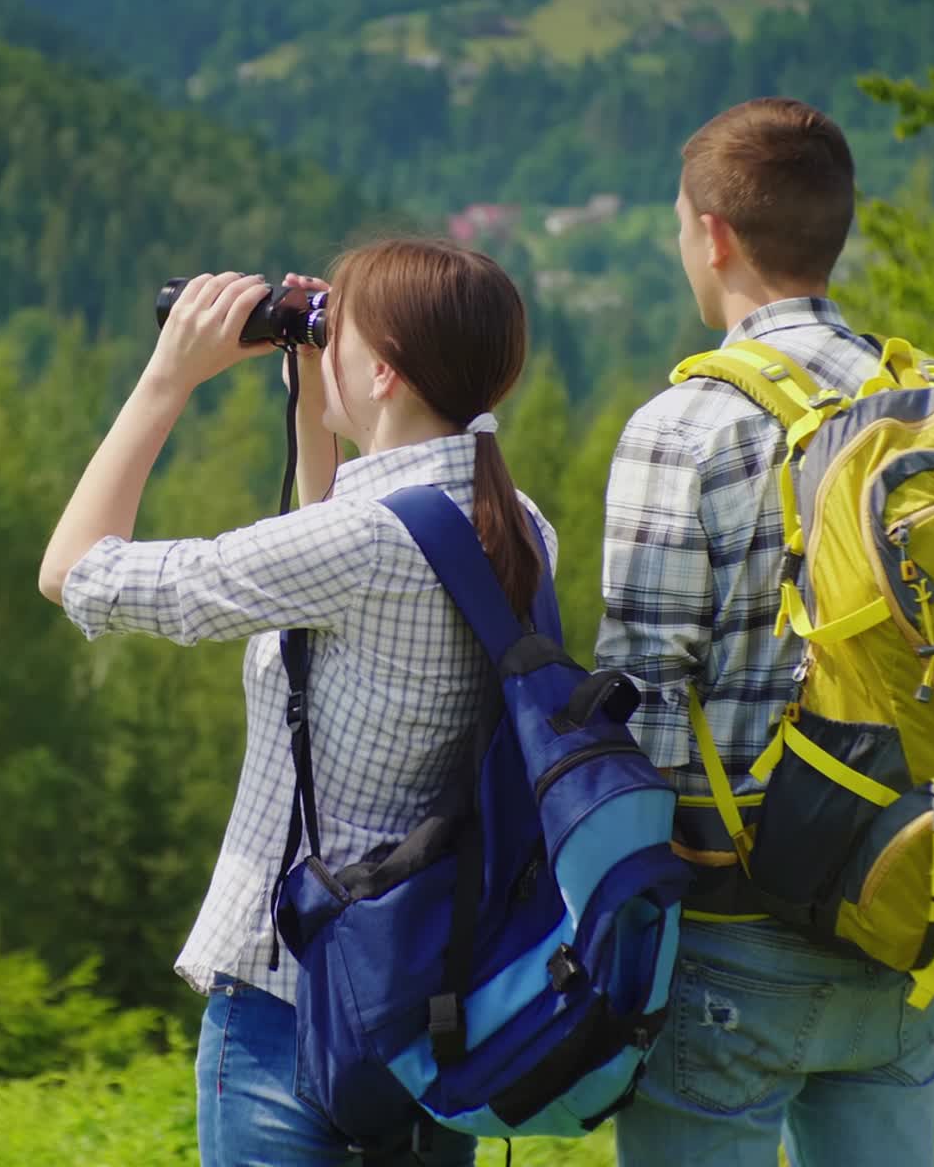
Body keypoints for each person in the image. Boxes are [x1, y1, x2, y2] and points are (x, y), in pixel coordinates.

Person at [38, 238, 557, 1166]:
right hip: (437, 986)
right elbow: (350, 578)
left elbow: (75, 573)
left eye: (337, 330)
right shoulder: (518, 526)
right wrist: (316, 402)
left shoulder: (360, 547)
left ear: (387, 371)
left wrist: (167, 378)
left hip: (292, 997)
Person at [595, 96, 934, 1167]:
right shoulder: (921, 402)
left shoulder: (683, 424)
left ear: (712, 234)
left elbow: (637, 693)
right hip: (900, 906)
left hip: (728, 935)